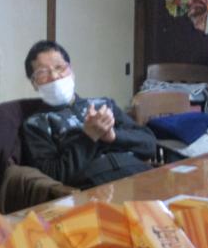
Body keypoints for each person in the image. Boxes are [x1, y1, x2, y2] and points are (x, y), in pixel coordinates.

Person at [21, 40, 156, 189]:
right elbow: (53, 175)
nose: (54, 76)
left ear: (71, 72)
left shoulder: (103, 104)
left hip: (139, 174)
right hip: (95, 186)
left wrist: (113, 136)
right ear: (34, 83)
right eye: (42, 73)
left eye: (59, 67)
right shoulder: (35, 124)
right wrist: (88, 137)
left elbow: (149, 144)